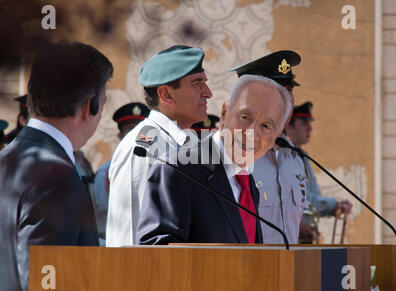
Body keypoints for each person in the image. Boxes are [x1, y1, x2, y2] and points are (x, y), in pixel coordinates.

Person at [0, 41, 113, 291]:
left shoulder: (6, 158)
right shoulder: (55, 176)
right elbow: (47, 287)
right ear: (90, 105)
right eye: (103, 104)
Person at [136, 74, 292, 245]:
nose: (251, 133)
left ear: (276, 137)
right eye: (245, 118)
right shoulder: (177, 170)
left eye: (265, 126)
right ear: (224, 114)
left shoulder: (249, 185)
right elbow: (157, 253)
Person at [106, 45, 213, 246]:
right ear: (166, 95)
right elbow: (129, 235)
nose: (208, 93)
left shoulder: (187, 143)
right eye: (198, 84)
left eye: (205, 83)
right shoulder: (143, 148)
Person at [230, 50, 308, 244]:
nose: (288, 101)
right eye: (278, 92)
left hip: (288, 269)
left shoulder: (294, 157)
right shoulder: (231, 156)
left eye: (289, 91)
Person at [285, 101, 352, 243]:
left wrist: (334, 207)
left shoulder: (302, 156)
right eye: (303, 123)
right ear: (289, 127)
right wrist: (333, 204)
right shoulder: (284, 157)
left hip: (304, 237)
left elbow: (309, 197)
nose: (310, 128)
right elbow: (296, 196)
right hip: (290, 236)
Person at [93, 102, 149, 245]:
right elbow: (102, 216)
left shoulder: (158, 164)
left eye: (141, 129)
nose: (137, 135)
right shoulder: (105, 172)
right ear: (120, 135)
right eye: (131, 129)